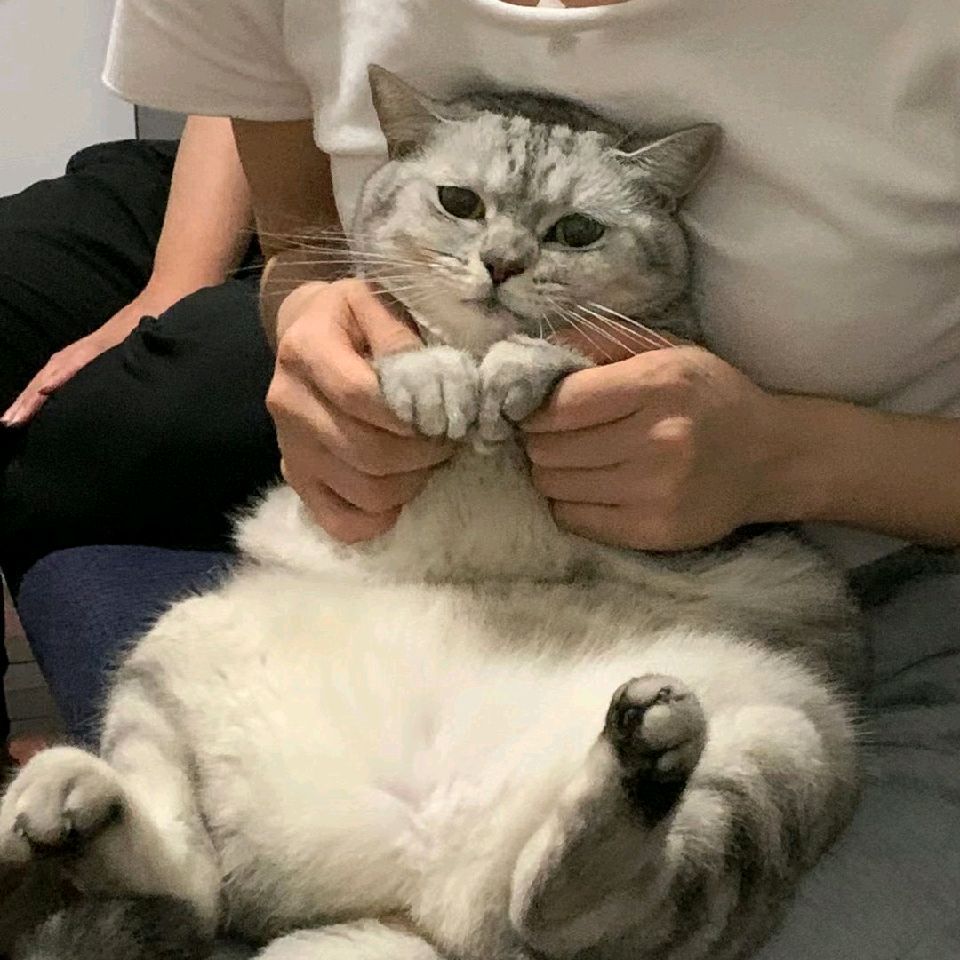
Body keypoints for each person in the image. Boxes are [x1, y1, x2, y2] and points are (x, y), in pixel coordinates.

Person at [9, 0, 960, 955]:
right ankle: (164, 858)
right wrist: (312, 324)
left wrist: (785, 456)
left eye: (576, 232)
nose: (503, 259)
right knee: (195, 638)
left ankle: (593, 889)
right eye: (461, 206)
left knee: (784, 728)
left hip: (673, 628)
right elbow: (300, 249)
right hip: (382, 638)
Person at [0, 117, 281, 761]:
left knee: (154, 401)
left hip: (405, 247)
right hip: (241, 176)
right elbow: (241, 84)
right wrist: (172, 286)